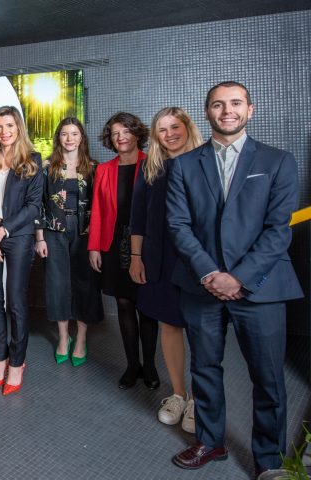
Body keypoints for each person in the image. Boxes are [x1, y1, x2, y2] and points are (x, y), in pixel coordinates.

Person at [168, 82, 302, 476]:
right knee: (204, 368)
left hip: (260, 286)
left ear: (250, 109)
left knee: (268, 378)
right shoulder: (184, 165)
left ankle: (269, 461)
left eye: (236, 103)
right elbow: (178, 225)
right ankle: (210, 441)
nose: (227, 110)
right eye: (218, 104)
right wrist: (211, 273)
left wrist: (239, 278)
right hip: (202, 285)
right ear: (207, 112)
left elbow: (278, 229)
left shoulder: (278, 161)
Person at [129, 107, 203, 431]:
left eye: (175, 127)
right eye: (162, 129)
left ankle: (199, 400)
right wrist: (136, 256)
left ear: (188, 127)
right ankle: (178, 394)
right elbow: (138, 217)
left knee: (200, 330)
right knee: (170, 326)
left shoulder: (206, 162)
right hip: (159, 257)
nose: (169, 134)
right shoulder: (151, 167)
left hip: (197, 260)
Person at [0, 106, 42, 395]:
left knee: (15, 302)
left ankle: (17, 363)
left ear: (19, 128)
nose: (4, 131)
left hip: (17, 236)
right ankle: (0, 361)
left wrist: (1, 232)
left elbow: (34, 206)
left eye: (10, 125)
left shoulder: (32, 160)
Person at [88, 112, 159, 389]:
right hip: (114, 243)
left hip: (147, 243)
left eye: (126, 131)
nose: (121, 137)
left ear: (137, 133)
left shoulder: (153, 164)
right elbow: (97, 211)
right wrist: (94, 247)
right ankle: (132, 365)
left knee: (147, 306)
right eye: (115, 133)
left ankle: (150, 366)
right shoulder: (104, 170)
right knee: (124, 304)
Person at [34, 117, 103, 367]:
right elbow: (38, 204)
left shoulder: (94, 168)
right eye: (64, 134)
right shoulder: (46, 167)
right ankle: (64, 337)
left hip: (86, 233)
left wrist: (98, 242)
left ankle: (81, 337)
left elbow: (101, 207)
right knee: (57, 284)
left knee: (85, 283)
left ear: (81, 137)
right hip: (54, 231)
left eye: (74, 134)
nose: (69, 138)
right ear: (58, 138)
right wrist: (39, 237)